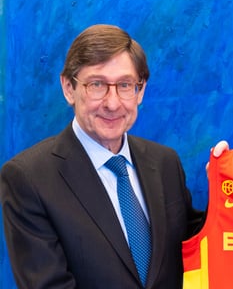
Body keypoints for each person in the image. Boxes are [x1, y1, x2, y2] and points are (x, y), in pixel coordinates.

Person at [0, 24, 204, 289]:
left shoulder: (166, 163)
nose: (112, 103)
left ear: (140, 91)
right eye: (97, 85)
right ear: (69, 88)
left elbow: (202, 247)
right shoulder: (28, 179)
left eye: (125, 85)